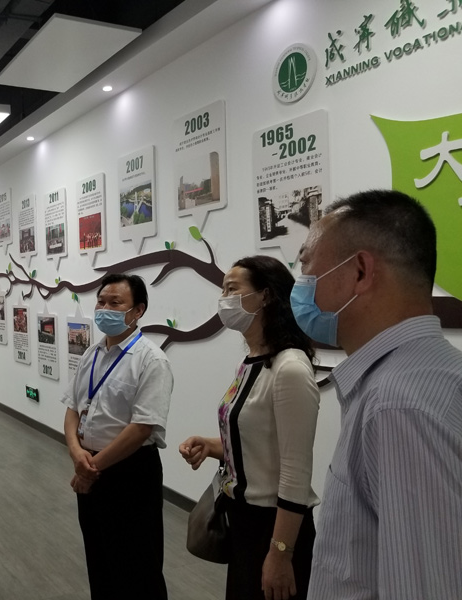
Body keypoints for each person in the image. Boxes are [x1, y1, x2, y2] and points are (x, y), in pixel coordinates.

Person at [292, 190, 462, 600]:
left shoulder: (397, 408)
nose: (301, 284)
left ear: (360, 271)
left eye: (307, 265)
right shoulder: (437, 374)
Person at [180, 255, 320, 600]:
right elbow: (258, 440)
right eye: (222, 290)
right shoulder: (251, 362)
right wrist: (212, 446)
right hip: (243, 521)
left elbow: (295, 472)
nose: (223, 299)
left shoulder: (290, 368)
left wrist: (281, 553)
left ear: (266, 295)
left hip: (274, 528)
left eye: (232, 289)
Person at [61, 273, 173, 600]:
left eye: (115, 303)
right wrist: (76, 452)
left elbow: (142, 428)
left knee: (138, 566)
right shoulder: (92, 354)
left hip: (130, 472)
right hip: (89, 466)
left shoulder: (151, 360)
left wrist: (90, 468)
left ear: (137, 311)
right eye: (101, 301)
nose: (104, 309)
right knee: (100, 560)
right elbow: (72, 407)